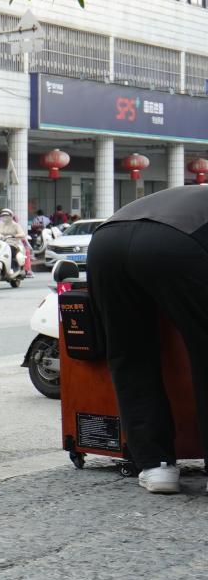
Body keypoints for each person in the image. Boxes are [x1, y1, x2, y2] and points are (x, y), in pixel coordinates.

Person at [86, 185, 208, 495]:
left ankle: (156, 466)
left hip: (105, 243)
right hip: (173, 244)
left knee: (129, 354)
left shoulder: (190, 195)